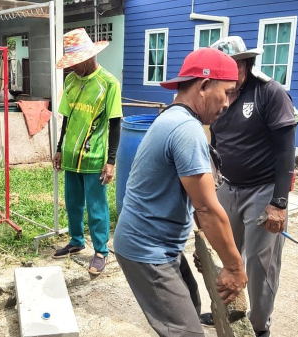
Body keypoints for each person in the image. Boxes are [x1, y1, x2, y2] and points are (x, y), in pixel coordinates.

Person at [113, 47, 247, 337]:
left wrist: (209, 251)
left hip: (157, 242)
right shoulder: (187, 129)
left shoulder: (173, 117)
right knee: (186, 332)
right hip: (147, 249)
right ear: (203, 85)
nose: (227, 103)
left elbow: (193, 201)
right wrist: (235, 267)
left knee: (192, 302)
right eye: (226, 92)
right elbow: (207, 209)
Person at [206, 36, 296, 337]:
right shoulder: (218, 94)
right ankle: (226, 310)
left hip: (263, 192)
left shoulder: (270, 92)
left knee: (260, 265)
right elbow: (216, 144)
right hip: (228, 188)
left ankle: (259, 327)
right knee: (226, 254)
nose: (228, 72)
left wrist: (279, 203)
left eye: (234, 65)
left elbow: (286, 150)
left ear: (246, 62)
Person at [51, 28, 123, 275]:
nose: (71, 68)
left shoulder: (109, 83)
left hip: (94, 158)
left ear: (88, 58)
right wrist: (60, 149)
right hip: (71, 155)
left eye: (74, 63)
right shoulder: (70, 81)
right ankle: (76, 241)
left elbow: (115, 123)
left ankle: (101, 250)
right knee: (72, 203)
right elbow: (66, 119)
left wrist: (111, 161)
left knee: (96, 208)